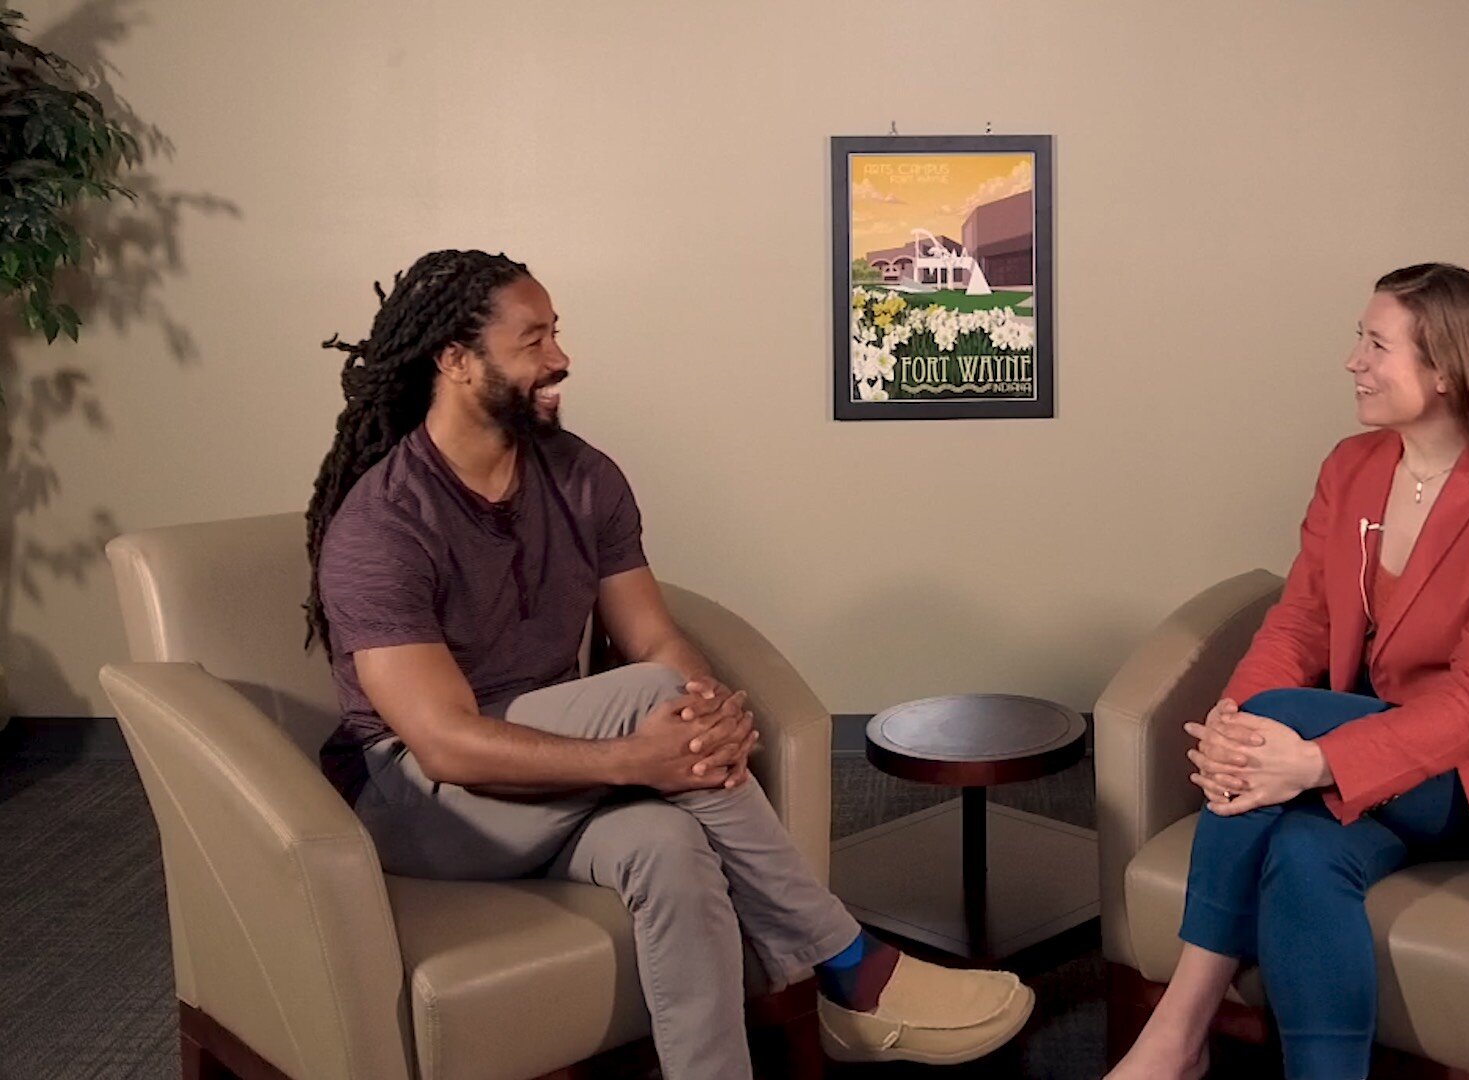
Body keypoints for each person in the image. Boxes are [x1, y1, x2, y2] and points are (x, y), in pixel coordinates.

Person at [304, 250, 1034, 1080]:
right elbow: (443, 743)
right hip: (422, 804)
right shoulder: (382, 526)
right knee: (648, 704)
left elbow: (654, 640)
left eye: (558, 333)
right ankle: (848, 963)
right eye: (532, 339)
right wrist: (632, 755)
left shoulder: (583, 477)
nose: (560, 358)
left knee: (669, 849)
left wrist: (711, 716)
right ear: (455, 359)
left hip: (550, 779)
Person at [1108, 263, 1469, 1080]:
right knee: (1302, 857)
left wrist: (1307, 759)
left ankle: (1178, 1031)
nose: (1353, 361)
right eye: (1359, 340)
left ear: (1446, 370)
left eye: (1376, 344)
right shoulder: (1352, 467)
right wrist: (1239, 718)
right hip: (1366, 763)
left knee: (1284, 722)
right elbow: (1302, 618)